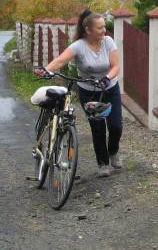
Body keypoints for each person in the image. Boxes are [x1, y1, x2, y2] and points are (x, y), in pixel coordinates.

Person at [35, 10, 123, 177]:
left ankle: (113, 151)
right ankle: (103, 163)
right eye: (100, 28)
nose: (104, 30)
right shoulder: (79, 46)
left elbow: (116, 66)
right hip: (89, 92)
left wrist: (107, 78)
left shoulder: (108, 42)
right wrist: (46, 70)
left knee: (116, 126)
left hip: (110, 89)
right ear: (88, 30)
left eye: (104, 26)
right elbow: (60, 60)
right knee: (97, 128)